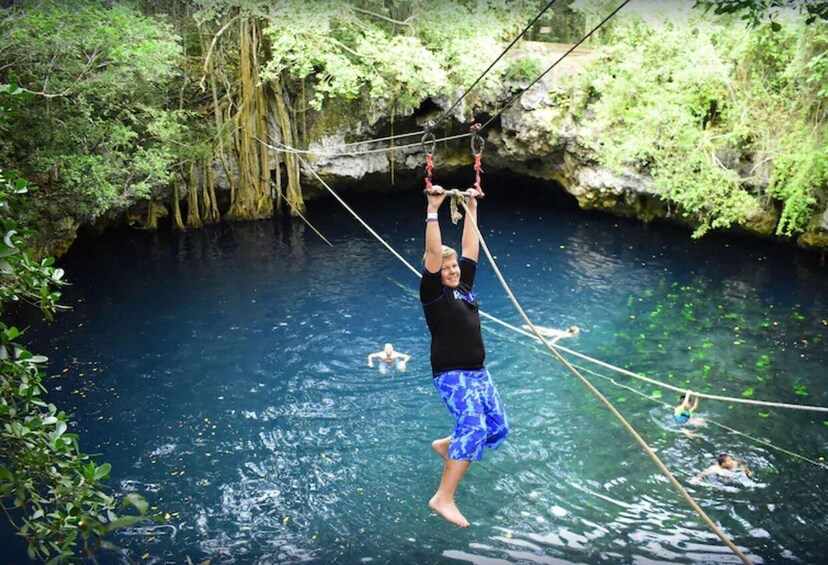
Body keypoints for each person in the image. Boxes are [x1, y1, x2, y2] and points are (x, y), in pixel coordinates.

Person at [420, 185, 509, 528]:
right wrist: (433, 209)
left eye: (454, 265)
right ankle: (443, 498)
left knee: (498, 428)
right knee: (473, 428)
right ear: (436, 274)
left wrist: (472, 205)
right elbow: (432, 251)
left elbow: (471, 247)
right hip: (451, 373)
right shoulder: (433, 295)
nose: (453, 271)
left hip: (478, 371)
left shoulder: (464, 287)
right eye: (446, 269)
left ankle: (448, 445)